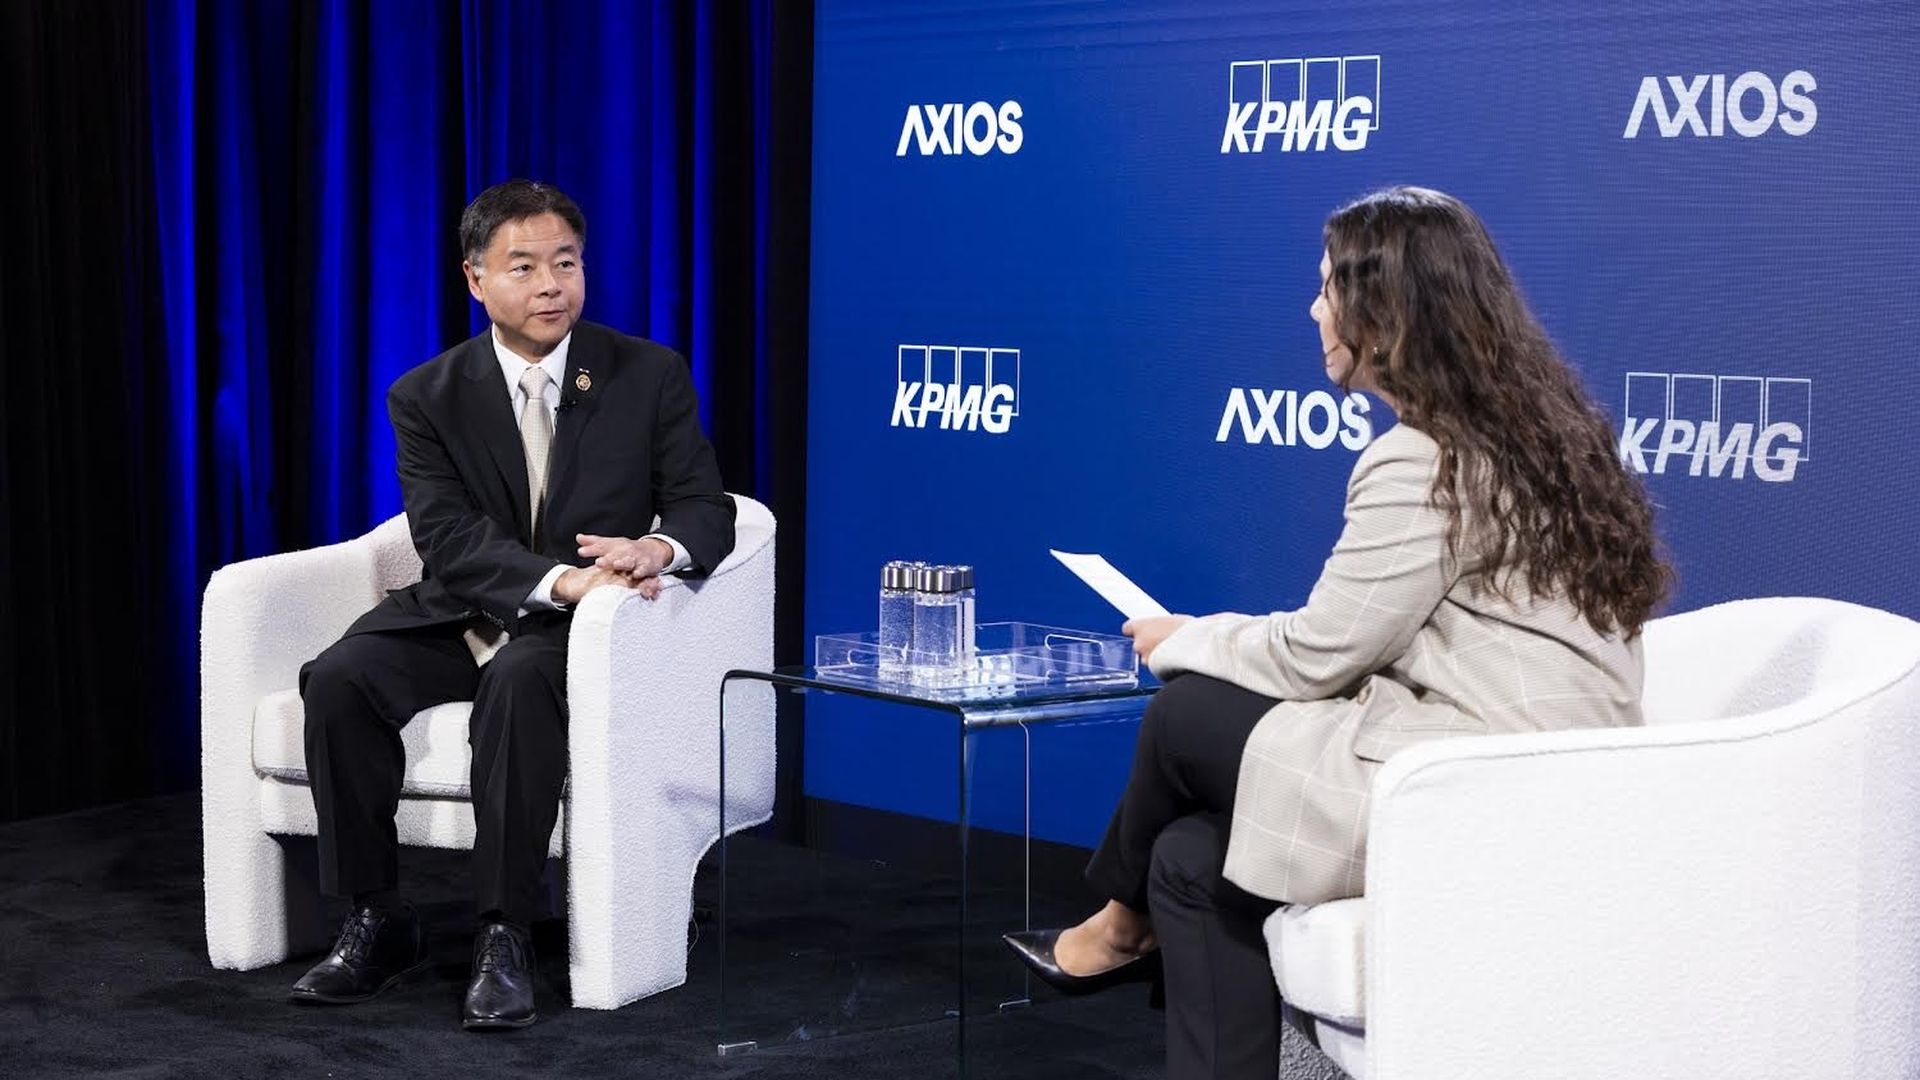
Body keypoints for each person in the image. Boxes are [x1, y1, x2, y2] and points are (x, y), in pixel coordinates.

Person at [1005, 186, 1670, 1078]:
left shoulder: (1426, 459)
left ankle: (1119, 926)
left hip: (1473, 786)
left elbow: (1321, 653)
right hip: (1544, 777)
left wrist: (1183, 639)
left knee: (1184, 715)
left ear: (1382, 314)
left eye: (1327, 288)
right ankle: (1137, 919)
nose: (1314, 308)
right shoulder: (1541, 437)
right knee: (1191, 857)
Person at [288, 180, 735, 1031]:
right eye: (522, 266)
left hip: (585, 628)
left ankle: (505, 933)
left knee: (522, 685)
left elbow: (705, 506)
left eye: (565, 263)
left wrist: (658, 548)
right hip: (467, 606)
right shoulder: (428, 395)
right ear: (474, 279)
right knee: (342, 677)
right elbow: (447, 537)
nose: (549, 285)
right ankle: (376, 918)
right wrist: (560, 578)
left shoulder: (647, 373)